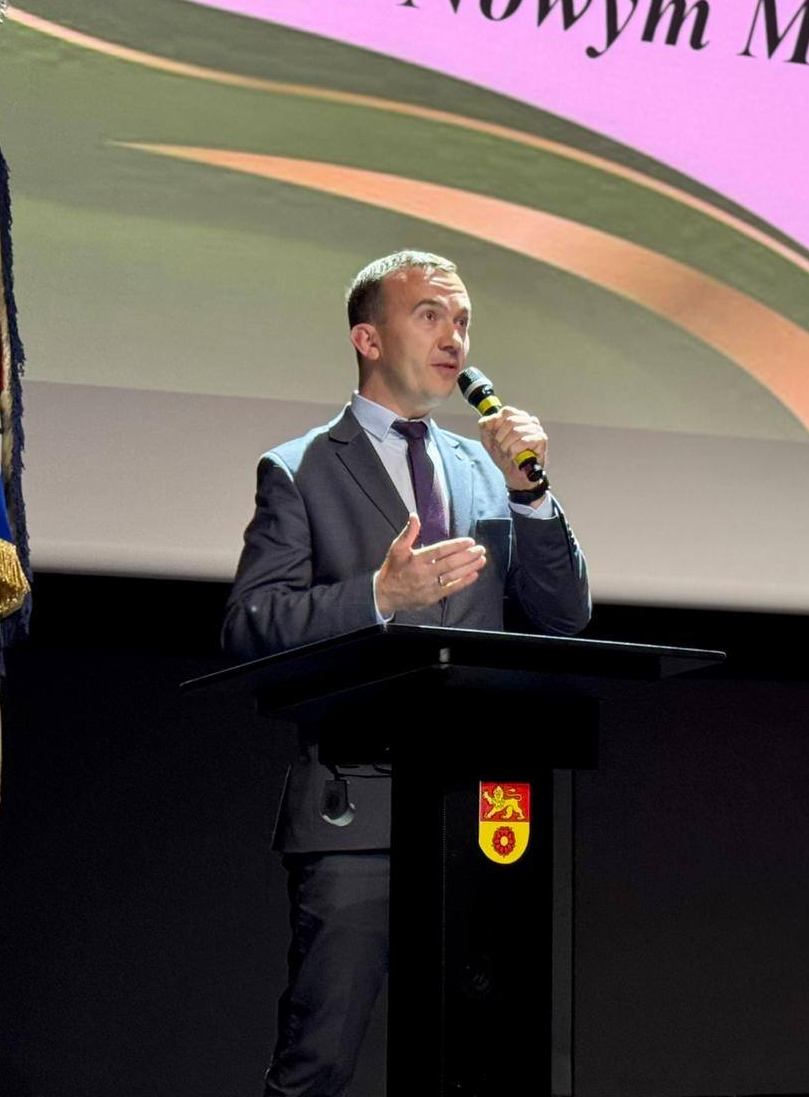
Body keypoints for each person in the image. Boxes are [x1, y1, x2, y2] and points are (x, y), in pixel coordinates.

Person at [222, 249, 592, 1096]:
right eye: (430, 315)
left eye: (462, 321)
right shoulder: (301, 469)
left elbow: (565, 614)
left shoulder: (487, 470)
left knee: (484, 1060)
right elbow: (250, 624)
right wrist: (378, 597)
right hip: (361, 805)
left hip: (483, 806)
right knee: (320, 1061)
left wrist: (530, 496)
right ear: (368, 338)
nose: (454, 337)